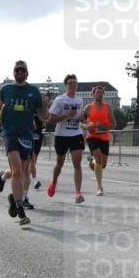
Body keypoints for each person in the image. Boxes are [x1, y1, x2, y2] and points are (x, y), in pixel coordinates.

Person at [0, 60, 49, 225]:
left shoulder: (33, 91)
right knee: (17, 169)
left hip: (27, 136)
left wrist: (45, 106)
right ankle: (20, 209)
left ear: (27, 73)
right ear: (13, 72)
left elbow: (43, 116)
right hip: (10, 133)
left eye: (22, 70)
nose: (19, 72)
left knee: (23, 172)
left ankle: (5, 180)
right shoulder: (6, 89)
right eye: (17, 70)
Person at [46, 74, 86, 203]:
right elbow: (51, 119)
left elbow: (79, 117)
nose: (73, 85)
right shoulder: (59, 100)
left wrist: (81, 119)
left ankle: (78, 193)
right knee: (59, 164)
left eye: (75, 83)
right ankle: (54, 182)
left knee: (77, 164)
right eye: (70, 83)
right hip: (61, 136)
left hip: (76, 135)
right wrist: (67, 114)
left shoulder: (80, 100)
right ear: (66, 85)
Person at [84, 85, 116, 196]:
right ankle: (99, 187)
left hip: (104, 137)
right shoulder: (88, 107)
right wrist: (86, 126)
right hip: (92, 136)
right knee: (98, 159)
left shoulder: (107, 107)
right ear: (93, 94)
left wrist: (105, 127)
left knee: (103, 165)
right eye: (98, 93)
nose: (100, 95)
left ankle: (91, 161)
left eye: (102, 93)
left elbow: (114, 124)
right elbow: (81, 120)